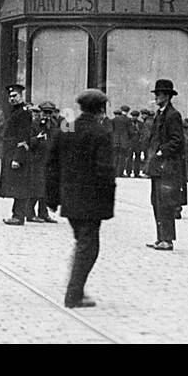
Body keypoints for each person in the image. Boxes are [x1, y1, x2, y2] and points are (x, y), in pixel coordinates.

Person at [45, 89, 115, 309]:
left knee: (82, 243)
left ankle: (77, 289)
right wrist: (107, 203)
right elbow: (105, 171)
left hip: (70, 199)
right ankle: (74, 294)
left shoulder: (67, 129)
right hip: (92, 201)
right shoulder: (101, 133)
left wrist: (52, 198)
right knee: (88, 246)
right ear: (101, 109)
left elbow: (52, 166)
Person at [145, 79, 187, 251]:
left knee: (165, 203)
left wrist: (162, 151)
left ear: (168, 96)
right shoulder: (160, 114)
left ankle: (167, 240)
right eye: (156, 94)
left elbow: (177, 140)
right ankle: (160, 237)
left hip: (167, 167)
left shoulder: (172, 115)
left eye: (160, 94)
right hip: (158, 167)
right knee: (156, 202)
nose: (157, 97)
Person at [0, 83, 36, 224]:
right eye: (10, 96)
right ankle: (17, 214)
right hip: (11, 151)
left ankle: (18, 216)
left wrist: (17, 158)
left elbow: (23, 137)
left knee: (20, 186)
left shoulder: (24, 113)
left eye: (15, 96)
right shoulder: (15, 112)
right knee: (17, 184)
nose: (12, 98)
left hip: (17, 153)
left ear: (21, 96)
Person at [30, 102, 59, 222]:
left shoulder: (54, 124)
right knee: (36, 187)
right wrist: (37, 139)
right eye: (45, 112)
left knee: (46, 188)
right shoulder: (34, 124)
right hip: (36, 159)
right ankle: (29, 212)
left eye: (49, 112)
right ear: (40, 112)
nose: (47, 115)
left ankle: (43, 212)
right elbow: (28, 140)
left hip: (49, 160)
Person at [110, 105, 132, 178]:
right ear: (127, 111)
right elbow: (130, 131)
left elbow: (111, 130)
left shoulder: (114, 120)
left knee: (115, 157)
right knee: (122, 158)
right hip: (124, 141)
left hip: (115, 141)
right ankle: (120, 173)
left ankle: (113, 172)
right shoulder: (128, 120)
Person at [130, 109, 150, 178]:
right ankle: (128, 172)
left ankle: (136, 172)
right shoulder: (128, 123)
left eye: (135, 116)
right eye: (133, 116)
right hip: (130, 143)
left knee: (137, 158)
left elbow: (142, 132)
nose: (134, 117)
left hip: (138, 143)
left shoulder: (141, 124)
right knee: (129, 158)